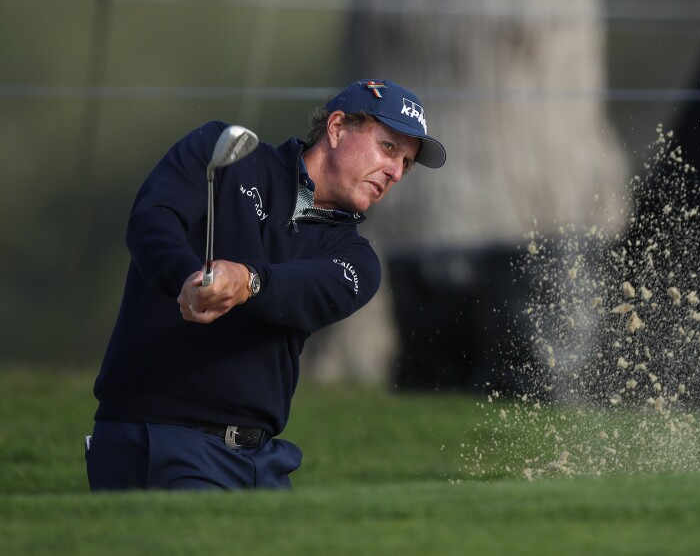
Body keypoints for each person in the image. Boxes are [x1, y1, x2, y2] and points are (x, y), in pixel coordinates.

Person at [86, 79, 446, 491]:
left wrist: (247, 282)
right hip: (162, 436)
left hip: (262, 462)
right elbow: (152, 219)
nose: (396, 172)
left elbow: (303, 289)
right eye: (388, 148)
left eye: (406, 163)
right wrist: (186, 277)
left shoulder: (358, 261)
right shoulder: (222, 155)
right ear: (337, 127)